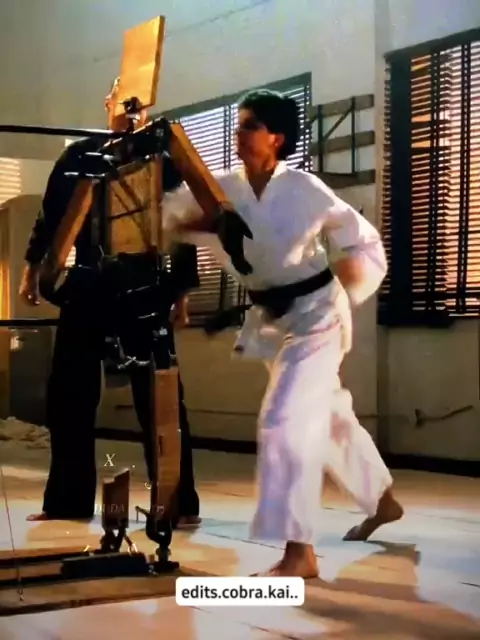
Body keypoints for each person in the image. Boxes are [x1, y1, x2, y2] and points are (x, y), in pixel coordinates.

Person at [161, 89, 403, 577]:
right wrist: (184, 224)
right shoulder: (222, 188)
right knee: (329, 418)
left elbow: (363, 240)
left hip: (318, 315)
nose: (239, 133)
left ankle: (299, 554)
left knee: (285, 418)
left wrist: (353, 278)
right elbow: (167, 216)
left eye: (250, 125)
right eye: (238, 124)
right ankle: (383, 500)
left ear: (277, 137)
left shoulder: (304, 189)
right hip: (273, 321)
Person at [19, 77, 200, 528]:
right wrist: (32, 269)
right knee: (68, 393)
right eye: (120, 97)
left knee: (160, 395)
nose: (128, 105)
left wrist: (180, 291)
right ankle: (68, 500)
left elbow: (182, 225)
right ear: (107, 103)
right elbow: (50, 216)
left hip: (146, 280)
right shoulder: (77, 156)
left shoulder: (161, 159)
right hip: (87, 278)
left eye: (136, 99)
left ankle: (179, 501)